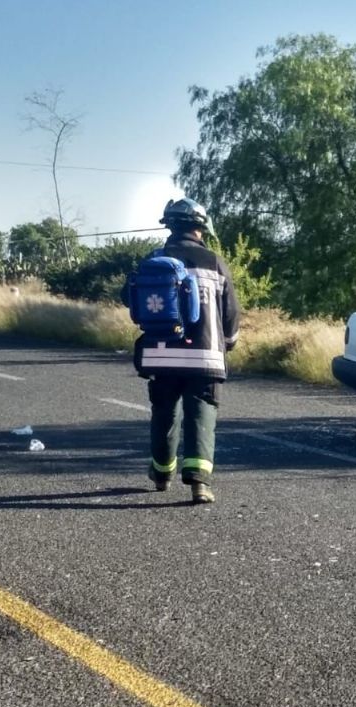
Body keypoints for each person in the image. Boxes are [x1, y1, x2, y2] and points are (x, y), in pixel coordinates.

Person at [127, 199, 240, 504]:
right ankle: (199, 484)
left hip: (160, 355)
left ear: (170, 225)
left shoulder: (154, 258)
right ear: (200, 229)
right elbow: (230, 313)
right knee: (201, 415)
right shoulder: (215, 262)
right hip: (206, 356)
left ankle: (162, 474)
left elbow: (130, 299)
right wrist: (229, 342)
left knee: (164, 414)